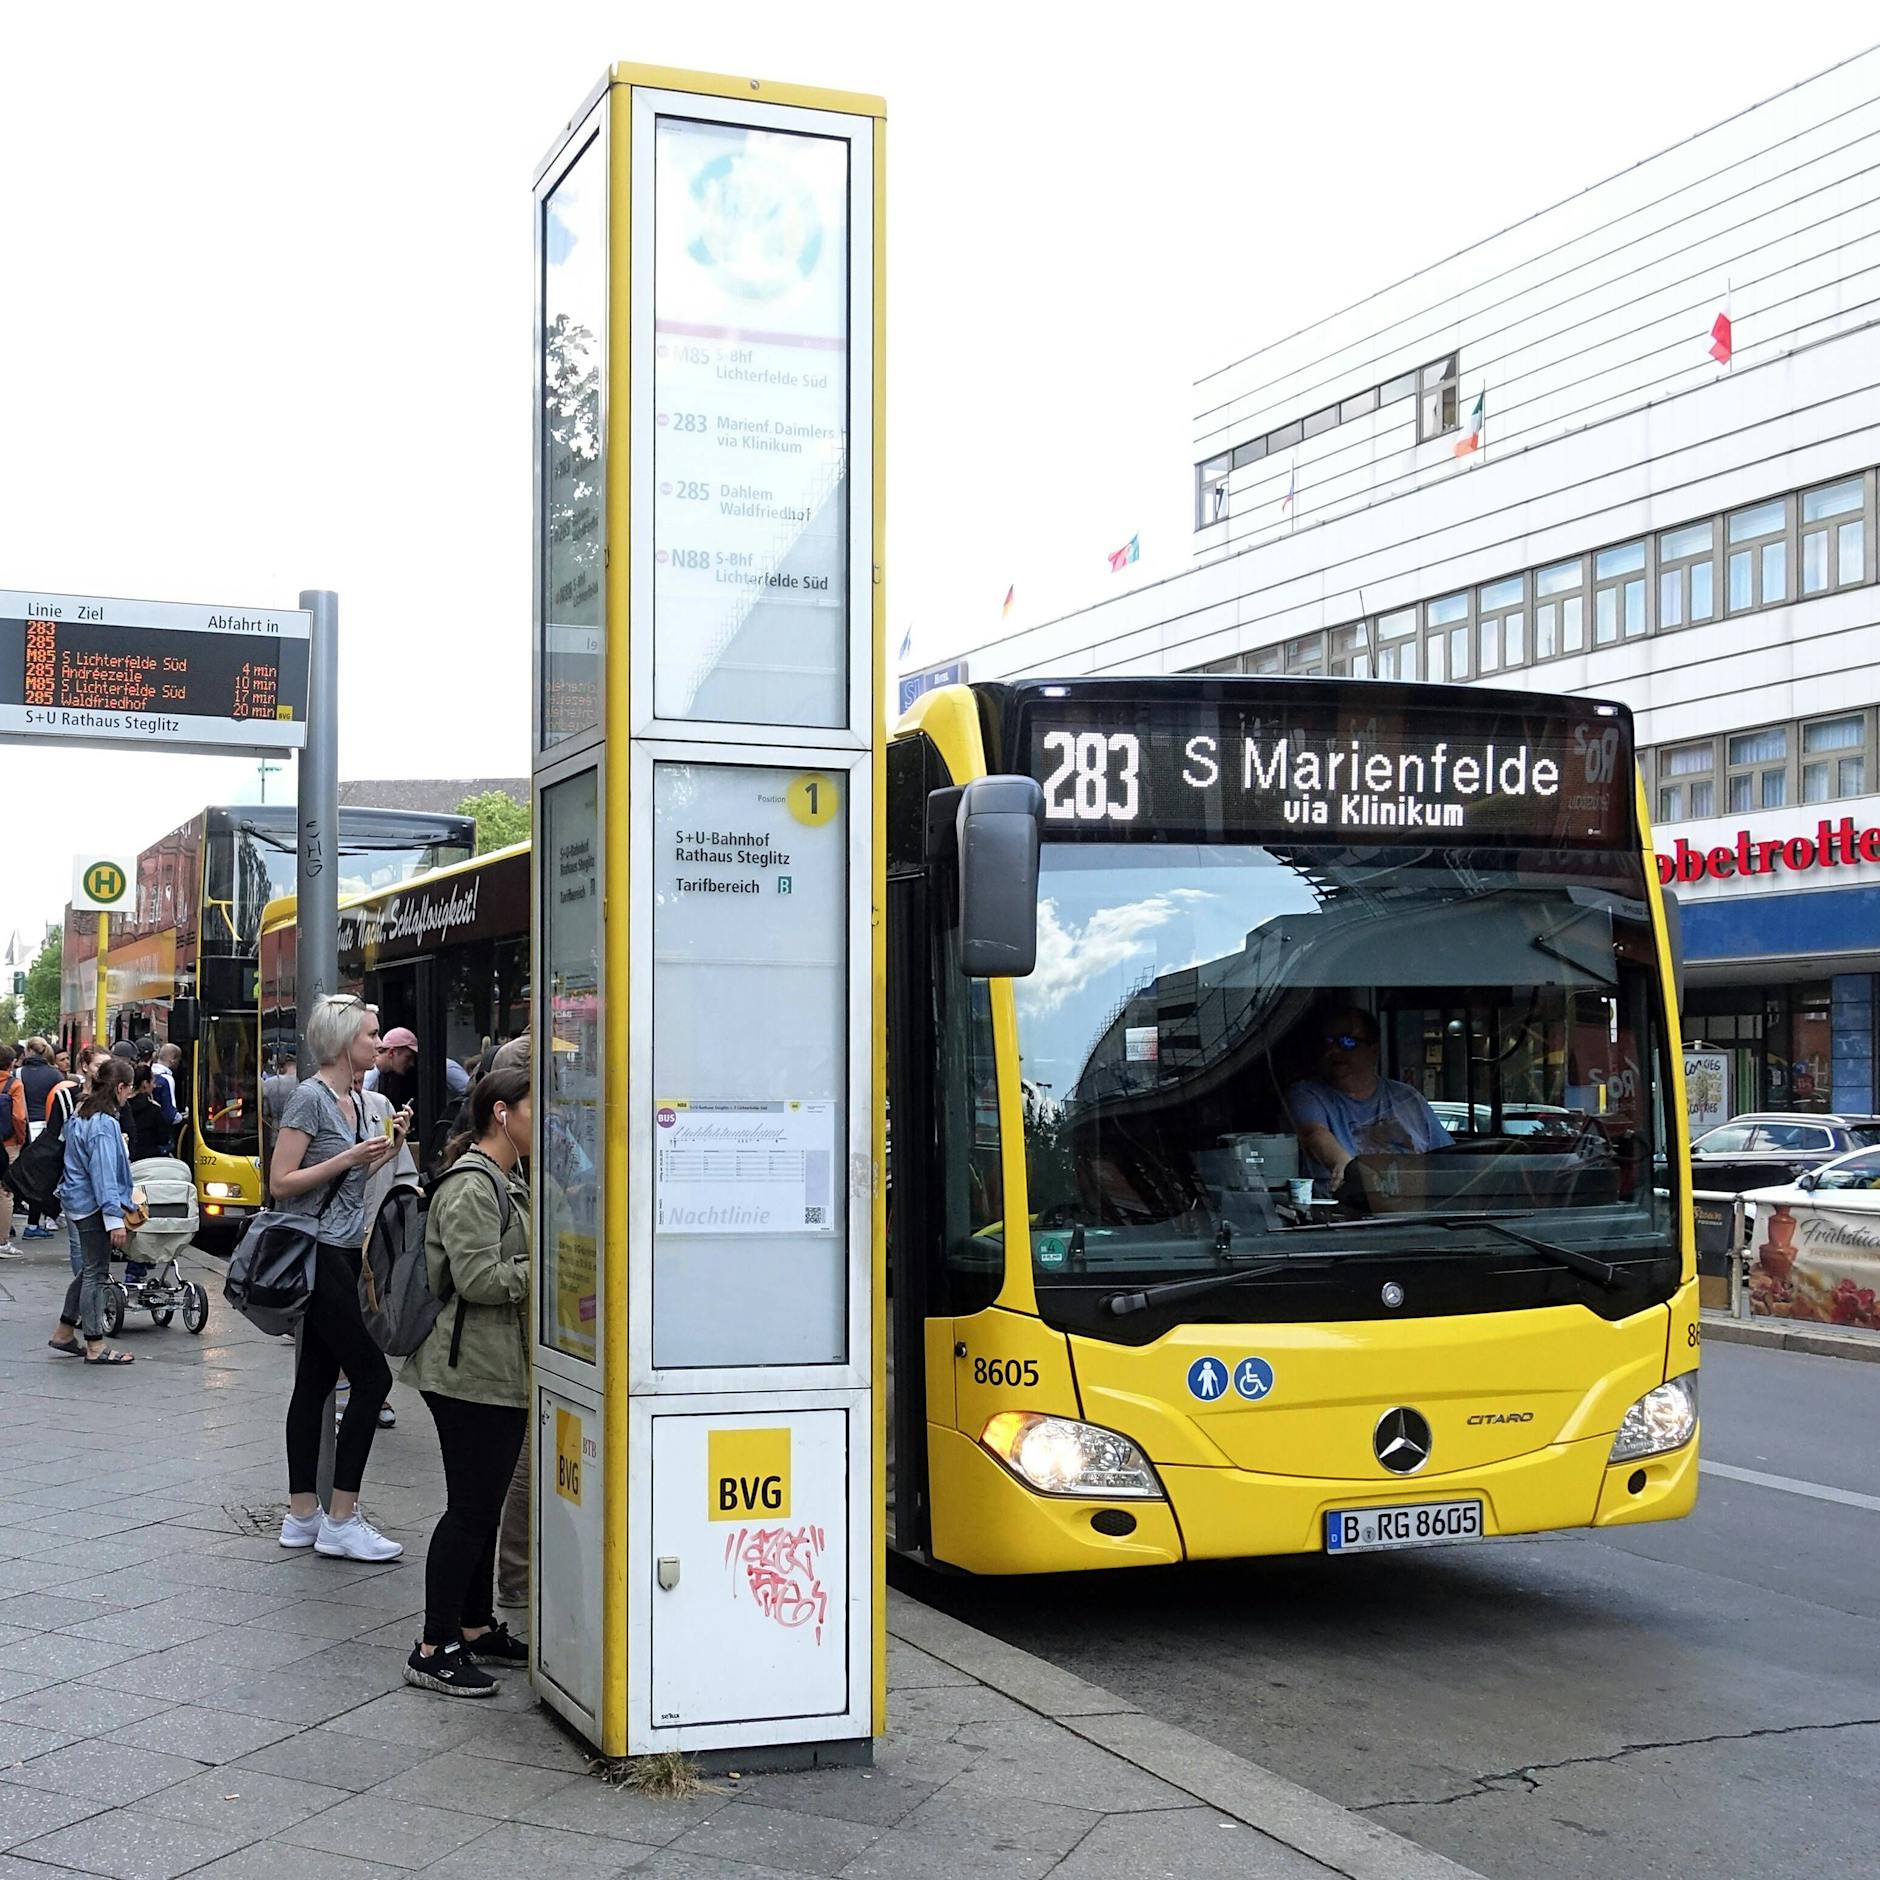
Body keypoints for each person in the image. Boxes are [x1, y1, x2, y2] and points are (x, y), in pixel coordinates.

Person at [402, 1067, 532, 1698]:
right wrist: (548, 1270)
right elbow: (479, 1281)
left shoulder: (509, 1178)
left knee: (481, 1508)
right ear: (502, 1113)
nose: (548, 1123)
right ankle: (434, 1646)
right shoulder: (472, 1186)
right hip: (467, 1372)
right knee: (470, 1510)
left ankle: (476, 1628)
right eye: (538, 1110)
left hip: (494, 1367)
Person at [271, 993, 407, 1563]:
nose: (379, 1043)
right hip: (318, 1253)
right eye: (371, 1034)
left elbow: (351, 1182)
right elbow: (282, 1182)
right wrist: (348, 1160)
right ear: (342, 1040)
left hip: (347, 1251)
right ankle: (341, 1517)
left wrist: (388, 1146)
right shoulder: (311, 1098)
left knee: (315, 1382)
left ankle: (303, 1515)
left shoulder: (358, 1097)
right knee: (372, 1380)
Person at [1288, 1006, 1452, 1190]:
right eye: (1328, 1042)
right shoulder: (1307, 1094)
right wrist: (1345, 1167)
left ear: (1374, 1050)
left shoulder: (1408, 1097)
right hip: (1346, 1214)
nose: (1334, 1051)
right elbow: (1314, 1135)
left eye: (1347, 1042)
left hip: (1415, 1212)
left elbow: (1447, 1159)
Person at [46, 1058, 137, 1365]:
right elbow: (104, 1174)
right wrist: (114, 1219)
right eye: (129, 1089)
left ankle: (63, 1332)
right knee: (96, 1274)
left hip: (77, 1201)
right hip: (92, 1205)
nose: (129, 1096)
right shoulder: (104, 1124)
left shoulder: (81, 1114)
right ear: (121, 1087)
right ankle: (95, 1345)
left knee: (89, 1270)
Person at [0, 1043, 30, 1249]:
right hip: (7, 1143)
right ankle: (2, 1241)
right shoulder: (14, 1085)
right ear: (11, 1063)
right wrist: (20, 1139)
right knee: (5, 1191)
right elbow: (19, 1117)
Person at [122, 1064, 175, 1161]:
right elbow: (163, 1138)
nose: (154, 1085)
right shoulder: (154, 1109)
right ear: (145, 1083)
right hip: (150, 1159)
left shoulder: (121, 1107)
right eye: (153, 1082)